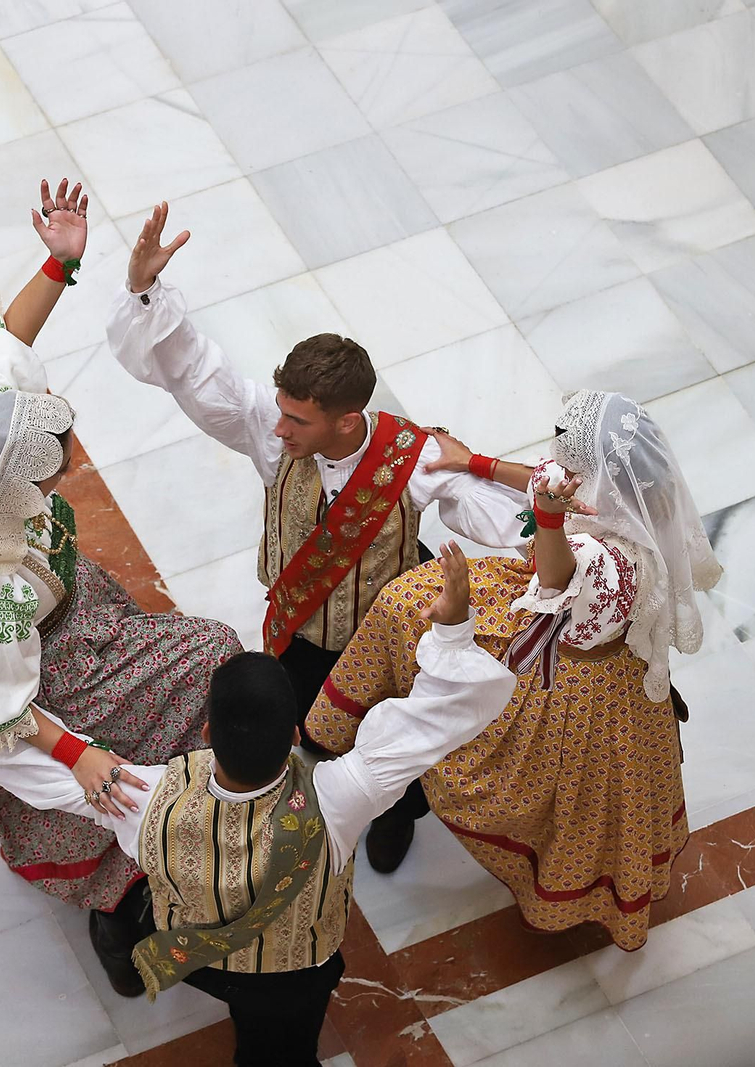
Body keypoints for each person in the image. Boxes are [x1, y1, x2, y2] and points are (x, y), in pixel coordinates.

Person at [0, 179, 242, 998]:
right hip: (41, 692)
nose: (71, 451)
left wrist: (59, 264)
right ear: (24, 473)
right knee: (209, 659)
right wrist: (81, 754)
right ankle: (118, 905)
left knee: (197, 661)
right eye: (59, 447)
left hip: (69, 612)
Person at [105, 202, 531, 872]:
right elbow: (197, 373)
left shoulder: (411, 459)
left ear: (346, 419)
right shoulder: (274, 437)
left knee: (402, 736)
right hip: (303, 632)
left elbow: (491, 513)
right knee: (316, 725)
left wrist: (551, 537)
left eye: (298, 419)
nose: (279, 430)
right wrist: (146, 291)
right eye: (280, 411)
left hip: (387, 636)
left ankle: (399, 815)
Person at [45, 545, 511, 1067]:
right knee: (281, 1049)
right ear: (294, 735)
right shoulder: (341, 794)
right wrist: (451, 632)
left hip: (203, 959)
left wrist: (73, 751)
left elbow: (24, 771)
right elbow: (440, 716)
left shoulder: (141, 795)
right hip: (298, 973)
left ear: (204, 734)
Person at [307, 390, 722, 950]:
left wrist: (549, 519)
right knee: (404, 605)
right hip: (546, 616)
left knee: (530, 791)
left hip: (573, 676)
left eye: (574, 461)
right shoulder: (621, 489)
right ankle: (350, 726)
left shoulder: (613, 562)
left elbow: (555, 581)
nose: (561, 466)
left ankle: (398, 775)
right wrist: (471, 462)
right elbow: (541, 478)